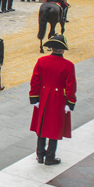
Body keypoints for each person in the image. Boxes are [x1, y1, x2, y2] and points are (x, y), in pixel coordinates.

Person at [29, 34, 76, 166]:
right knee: (55, 127)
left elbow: (35, 81)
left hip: (43, 95)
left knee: (42, 125)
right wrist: (70, 102)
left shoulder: (41, 61)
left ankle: (40, 154)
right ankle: (50, 156)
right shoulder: (68, 65)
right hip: (59, 98)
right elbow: (71, 86)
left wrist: (34, 97)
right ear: (62, 49)